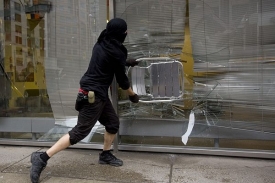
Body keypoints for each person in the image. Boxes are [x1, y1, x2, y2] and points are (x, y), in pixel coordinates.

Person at [30, 18, 139, 183]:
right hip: (93, 95)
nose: (127, 33)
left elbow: (109, 58)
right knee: (80, 132)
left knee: (112, 123)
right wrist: (132, 95)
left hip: (97, 93)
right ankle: (42, 157)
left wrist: (124, 62)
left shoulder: (102, 40)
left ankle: (106, 154)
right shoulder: (117, 51)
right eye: (125, 31)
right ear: (121, 33)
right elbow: (123, 81)